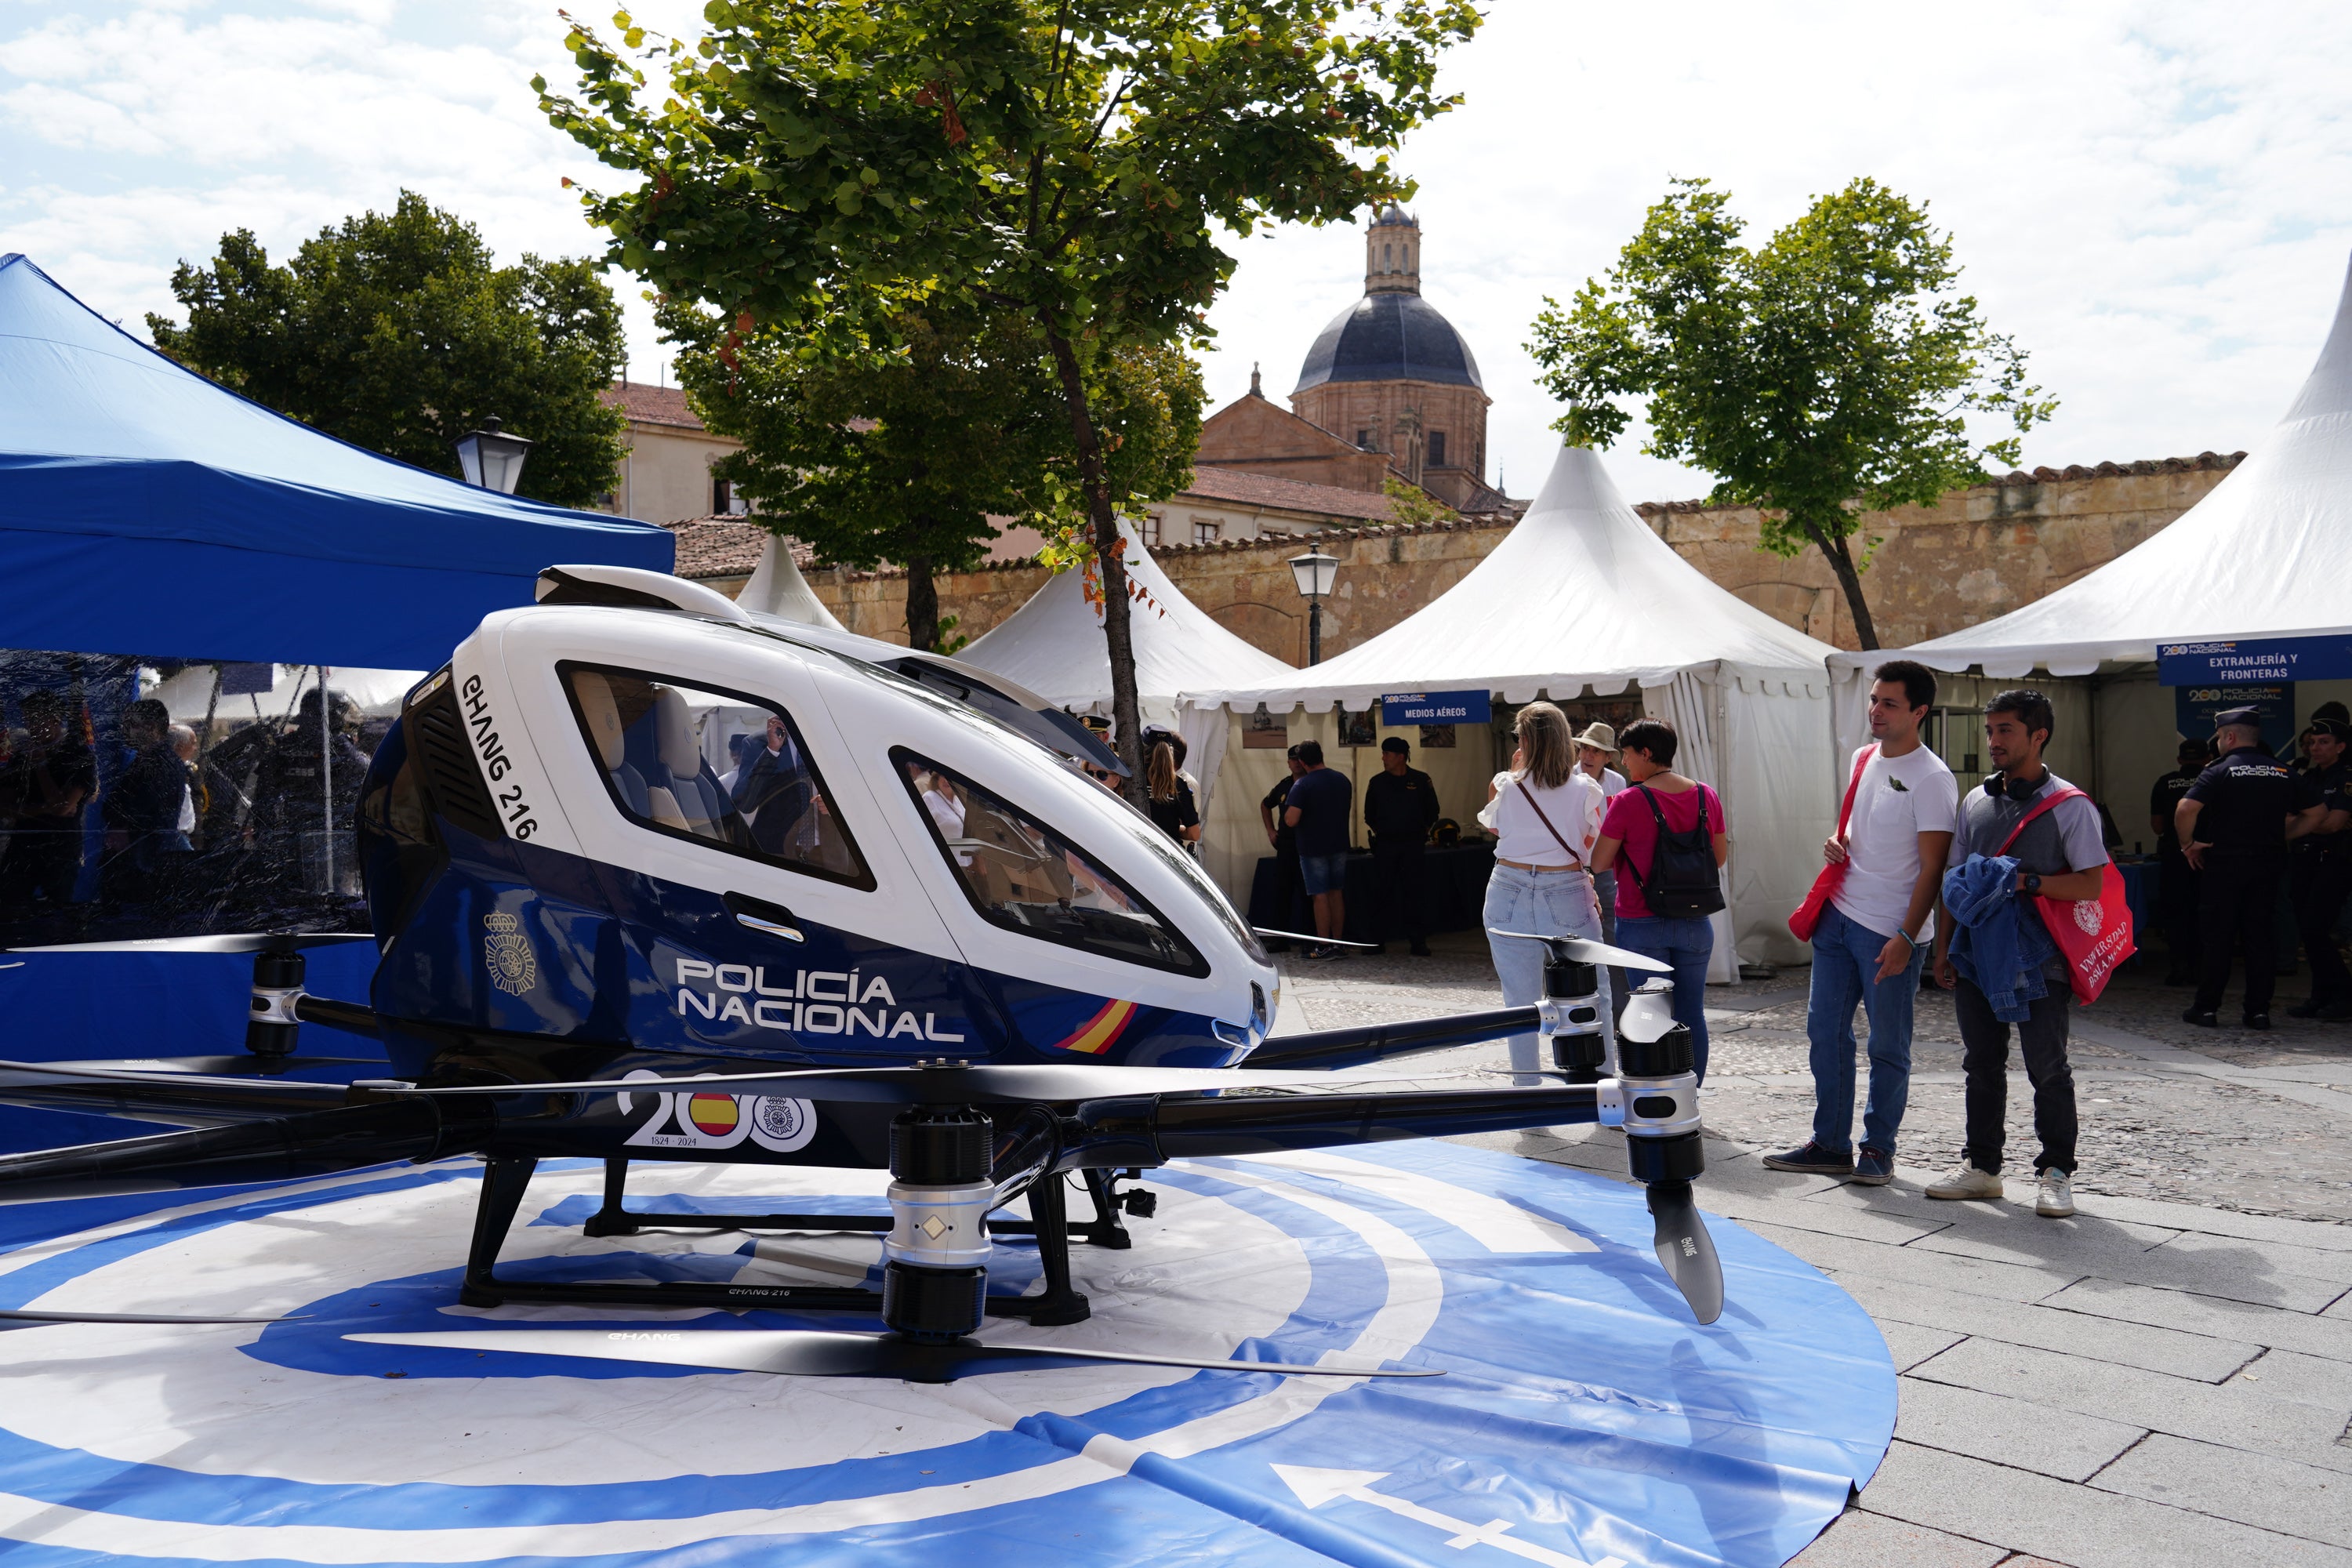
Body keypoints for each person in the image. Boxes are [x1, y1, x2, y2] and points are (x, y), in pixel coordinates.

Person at [1766, 660, 1958, 1185]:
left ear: (1919, 711)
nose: (1875, 710)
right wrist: (1839, 841)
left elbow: (1933, 868)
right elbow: (1859, 824)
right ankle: (1829, 1143)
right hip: (1838, 918)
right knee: (1824, 1033)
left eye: (1889, 703)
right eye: (1873, 700)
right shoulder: (1863, 757)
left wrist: (1905, 936)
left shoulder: (1933, 778)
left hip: (1889, 931)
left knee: (1887, 1046)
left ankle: (1878, 1150)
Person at [1928, 689, 2108, 1218]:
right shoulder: (1975, 802)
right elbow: (1954, 883)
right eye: (1990, 731)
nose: (1993, 741)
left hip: (2040, 960)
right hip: (1977, 954)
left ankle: (2056, 1173)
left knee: (2047, 1068)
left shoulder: (2070, 805)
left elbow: (2091, 884)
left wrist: (2026, 881)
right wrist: (1942, 950)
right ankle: (1982, 1168)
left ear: (2038, 735)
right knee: (1980, 1064)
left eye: (2005, 730)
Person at [1591, 718, 1728, 1082]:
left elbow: (1600, 862)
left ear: (1647, 753)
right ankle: (1690, 1091)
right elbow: (1719, 857)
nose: (1624, 761)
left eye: (1628, 753)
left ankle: (1656, 1091)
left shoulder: (1628, 800)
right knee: (1691, 1011)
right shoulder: (1705, 795)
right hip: (1696, 921)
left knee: (1650, 1012)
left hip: (1641, 920)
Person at [1481, 702, 1608, 1080]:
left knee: (1518, 997)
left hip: (1509, 884)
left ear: (1526, 741)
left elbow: (1497, 830)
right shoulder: (1587, 788)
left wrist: (1518, 771)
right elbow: (1588, 840)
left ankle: (1526, 1086)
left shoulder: (1504, 783)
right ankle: (1601, 1082)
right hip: (1565, 886)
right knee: (1594, 988)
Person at [2176, 706, 2296, 1029]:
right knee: (2261, 937)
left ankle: (2207, 1009)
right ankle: (2258, 1012)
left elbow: (2185, 808)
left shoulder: (2218, 770)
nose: (2217, 743)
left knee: (2218, 937)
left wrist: (2187, 844)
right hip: (2269, 862)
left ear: (2229, 737)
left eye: (2218, 737)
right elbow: (2318, 813)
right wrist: (2281, 836)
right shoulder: (2283, 771)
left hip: (2225, 863)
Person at [0, 690, 98, 924]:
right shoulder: (20, 757)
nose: (29, 725)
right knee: (8, 910)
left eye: (35, 719)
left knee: (59, 915)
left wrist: (41, 764)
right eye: (26, 719)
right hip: (22, 848)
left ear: (54, 719)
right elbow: (4, 808)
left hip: (61, 850)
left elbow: (64, 807)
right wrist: (44, 808)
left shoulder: (77, 755)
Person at [100, 698, 195, 908]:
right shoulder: (148, 759)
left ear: (151, 728)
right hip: (140, 858)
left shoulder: (159, 763)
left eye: (132, 725)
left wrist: (121, 824)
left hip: (145, 862)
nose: (125, 731)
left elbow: (142, 810)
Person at [2287, 717, 2352, 1018]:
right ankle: (2321, 994)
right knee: (2308, 930)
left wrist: (2304, 822)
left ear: (2341, 746)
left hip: (2335, 860)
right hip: (2304, 858)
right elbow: (2284, 819)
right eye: (2312, 742)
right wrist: (2312, 823)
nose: (2315, 747)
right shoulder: (2307, 777)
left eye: (2324, 742)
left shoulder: (2346, 777)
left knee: (2316, 927)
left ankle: (2344, 994)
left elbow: (2335, 823)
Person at [1363, 736, 1439, 955]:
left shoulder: (1421, 780)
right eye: (1383, 753)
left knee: (1414, 893)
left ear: (1401, 757)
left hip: (1413, 846)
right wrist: (1384, 831)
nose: (1383, 758)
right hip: (1386, 846)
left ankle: (1418, 942)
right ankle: (1376, 941)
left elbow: (1433, 810)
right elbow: (1370, 814)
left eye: (1387, 754)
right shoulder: (1377, 782)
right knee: (1381, 893)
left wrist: (1421, 831)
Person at [1282, 739, 1353, 958]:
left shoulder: (1302, 785)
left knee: (1319, 896)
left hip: (1313, 847)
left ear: (1302, 762)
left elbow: (1291, 820)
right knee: (1336, 893)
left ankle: (1323, 945)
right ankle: (1339, 943)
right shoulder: (1342, 780)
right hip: (1339, 843)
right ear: (1322, 755)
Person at [2149, 737, 2210, 985]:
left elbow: (2157, 826)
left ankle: (2179, 967)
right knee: (2206, 913)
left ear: (2180, 760)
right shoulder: (2213, 780)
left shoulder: (2165, 782)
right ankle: (2204, 969)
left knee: (2176, 913)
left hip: (2175, 857)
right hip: (2209, 857)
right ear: (2208, 759)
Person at [1573, 723, 1628, 942]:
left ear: (1607, 758)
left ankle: (1612, 976)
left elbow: (1623, 827)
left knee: (1610, 924)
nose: (1588, 755)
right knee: (1574, 927)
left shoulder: (1617, 782)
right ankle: (1578, 976)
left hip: (1605, 867)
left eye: (1596, 751)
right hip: (1572, 866)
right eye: (1585, 748)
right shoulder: (1565, 779)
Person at [1258, 746, 1309, 943]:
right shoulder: (1284, 786)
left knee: (1307, 894)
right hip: (1286, 845)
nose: (1296, 763)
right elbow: (1265, 804)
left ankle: (1309, 939)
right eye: (1292, 759)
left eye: (1299, 759)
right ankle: (1280, 939)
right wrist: (1271, 831)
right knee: (1282, 892)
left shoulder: (1310, 782)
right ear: (1288, 762)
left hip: (1307, 845)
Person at [1145, 740, 1201, 848]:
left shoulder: (1131, 782)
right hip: (1169, 852)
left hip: (1142, 848)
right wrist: (1172, 829)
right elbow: (1194, 834)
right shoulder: (1179, 785)